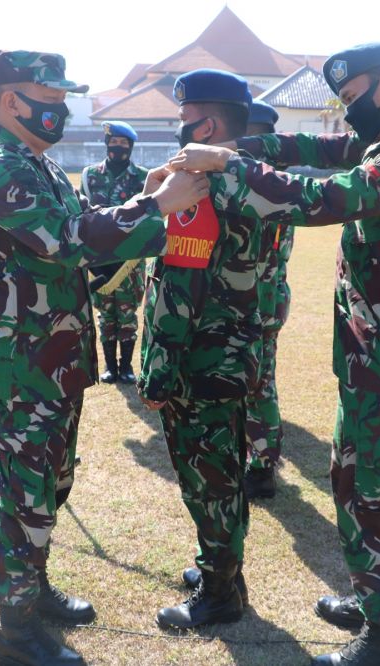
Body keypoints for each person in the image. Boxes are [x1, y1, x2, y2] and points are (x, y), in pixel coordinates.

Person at [168, 42, 380, 666]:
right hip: (371, 342)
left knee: (379, 481)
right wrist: (244, 150)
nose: (347, 117)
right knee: (351, 472)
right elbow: (316, 151)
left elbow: (326, 198)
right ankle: (372, 593)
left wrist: (230, 164)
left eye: (353, 101)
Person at [0, 49, 207, 666]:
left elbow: (92, 231)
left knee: (51, 483)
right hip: (25, 364)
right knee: (24, 498)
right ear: (12, 100)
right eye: (50, 99)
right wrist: (158, 208)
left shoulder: (39, 167)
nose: (61, 110)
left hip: (58, 356)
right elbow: (67, 240)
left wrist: (148, 196)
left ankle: (35, 589)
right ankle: (14, 636)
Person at [139, 68, 264, 632]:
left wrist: (157, 371)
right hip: (234, 350)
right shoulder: (254, 178)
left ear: (208, 123)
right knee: (226, 473)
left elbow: (178, 288)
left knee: (206, 479)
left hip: (199, 359)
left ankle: (218, 594)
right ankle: (224, 571)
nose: (179, 129)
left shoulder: (197, 186)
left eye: (186, 120)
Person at [241, 99, 294, 500]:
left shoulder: (267, 185)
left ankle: (261, 468)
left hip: (256, 304)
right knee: (257, 384)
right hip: (262, 300)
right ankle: (257, 459)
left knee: (258, 387)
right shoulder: (273, 179)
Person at [79, 120, 149, 384]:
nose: (117, 147)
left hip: (130, 260)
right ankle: (109, 367)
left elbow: (148, 217)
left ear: (130, 147)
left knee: (128, 312)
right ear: (106, 143)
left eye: (123, 144)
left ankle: (127, 367)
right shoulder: (89, 175)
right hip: (99, 259)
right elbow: (82, 215)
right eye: (113, 142)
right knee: (105, 313)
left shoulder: (143, 178)